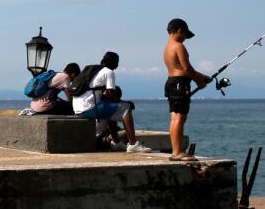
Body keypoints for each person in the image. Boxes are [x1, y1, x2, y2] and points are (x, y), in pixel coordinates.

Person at [72, 52, 153, 153]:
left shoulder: (93, 71)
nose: (117, 66)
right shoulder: (108, 72)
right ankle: (132, 145)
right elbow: (111, 94)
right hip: (88, 108)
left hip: (77, 108)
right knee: (126, 108)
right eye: (117, 63)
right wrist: (125, 102)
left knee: (112, 109)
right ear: (113, 63)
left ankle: (116, 142)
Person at [162, 18, 211, 161]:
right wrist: (199, 82)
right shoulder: (179, 46)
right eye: (185, 35)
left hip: (172, 83)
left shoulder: (167, 47)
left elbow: (179, 67)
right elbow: (186, 68)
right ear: (179, 30)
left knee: (175, 117)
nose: (185, 39)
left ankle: (176, 151)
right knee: (179, 118)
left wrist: (202, 76)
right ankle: (177, 153)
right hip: (180, 84)